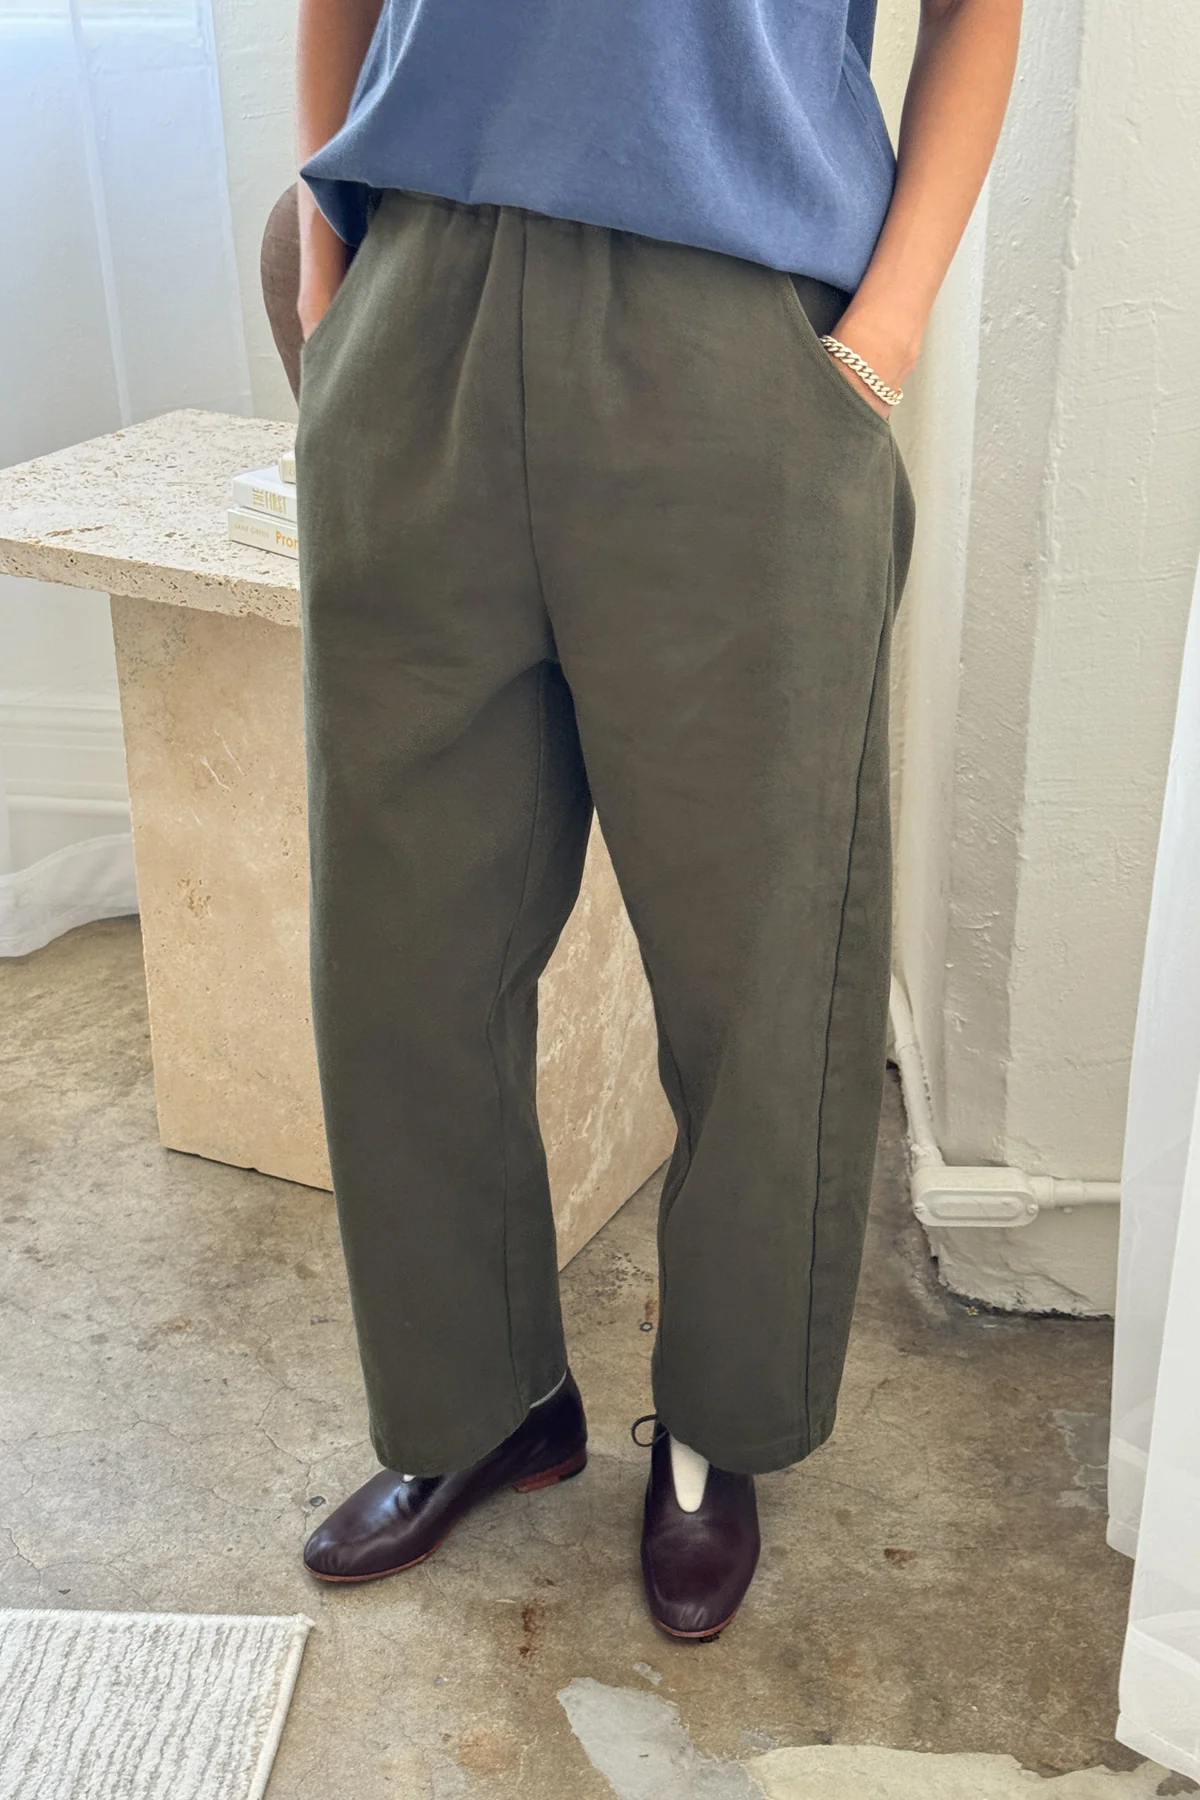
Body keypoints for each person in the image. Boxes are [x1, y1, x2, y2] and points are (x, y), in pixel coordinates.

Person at [292, 0, 1022, 1640]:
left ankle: (716, 1426)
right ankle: (472, 1403)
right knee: (400, 946)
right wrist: (329, 264)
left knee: (761, 958)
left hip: (734, 331)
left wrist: (883, 329)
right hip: (423, 300)